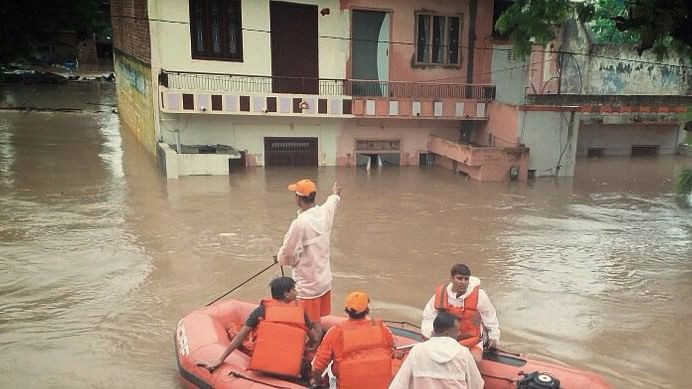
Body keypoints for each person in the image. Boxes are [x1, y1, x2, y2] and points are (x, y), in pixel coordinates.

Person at [199, 277, 320, 378]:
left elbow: (240, 336)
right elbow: (315, 338)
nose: (296, 292)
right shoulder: (300, 312)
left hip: (265, 367)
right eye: (294, 289)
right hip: (292, 369)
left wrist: (221, 359)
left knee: (245, 340)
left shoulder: (261, 310)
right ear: (286, 293)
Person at [275, 179, 341, 337]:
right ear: (313, 196)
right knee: (316, 319)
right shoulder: (324, 213)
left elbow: (287, 254)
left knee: (310, 324)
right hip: (324, 280)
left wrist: (279, 259)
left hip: (308, 286)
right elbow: (332, 202)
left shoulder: (299, 223)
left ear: (298, 199)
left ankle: (316, 347)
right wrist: (335, 194)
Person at [310, 291, 396, 389]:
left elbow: (318, 366)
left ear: (346, 310)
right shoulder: (382, 328)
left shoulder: (335, 332)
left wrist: (316, 381)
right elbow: (393, 350)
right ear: (367, 310)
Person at [420, 263, 500, 361]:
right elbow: (428, 317)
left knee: (475, 360)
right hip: (446, 339)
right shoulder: (440, 296)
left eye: (466, 279)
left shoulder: (480, 295)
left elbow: (489, 316)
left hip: (471, 340)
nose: (463, 282)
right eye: (459, 278)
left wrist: (494, 337)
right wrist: (430, 336)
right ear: (452, 278)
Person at [389, 312, 484, 389]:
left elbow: (399, 384)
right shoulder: (463, 353)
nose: (459, 333)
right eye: (457, 330)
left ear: (433, 330)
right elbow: (477, 385)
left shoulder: (418, 351)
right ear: (447, 333)